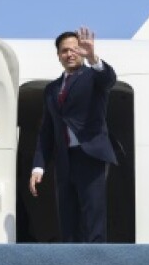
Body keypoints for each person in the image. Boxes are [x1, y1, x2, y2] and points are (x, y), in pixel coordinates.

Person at [29, 27, 117, 243]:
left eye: (75, 49)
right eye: (64, 51)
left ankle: (97, 261)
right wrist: (38, 166)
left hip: (90, 154)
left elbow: (109, 79)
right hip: (64, 157)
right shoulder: (51, 89)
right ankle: (71, 259)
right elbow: (47, 131)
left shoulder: (93, 77)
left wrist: (93, 57)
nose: (70, 54)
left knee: (92, 211)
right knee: (67, 212)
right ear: (58, 55)